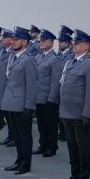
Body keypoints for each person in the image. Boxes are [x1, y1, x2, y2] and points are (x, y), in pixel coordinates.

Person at [58, 29, 90, 179]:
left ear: (86, 46)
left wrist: (88, 114)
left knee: (84, 148)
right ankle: (74, 176)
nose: (73, 45)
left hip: (81, 114)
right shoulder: (71, 62)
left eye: (76, 43)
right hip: (68, 112)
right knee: (72, 147)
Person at [0, 27, 38, 175]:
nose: (13, 42)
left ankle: (25, 163)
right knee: (16, 134)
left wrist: (29, 106)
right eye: (13, 39)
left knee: (24, 135)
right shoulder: (12, 57)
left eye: (16, 40)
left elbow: (32, 85)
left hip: (21, 104)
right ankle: (18, 159)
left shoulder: (28, 59)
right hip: (10, 102)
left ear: (25, 41)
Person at [34, 29, 59, 157]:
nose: (41, 43)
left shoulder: (54, 59)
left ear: (51, 42)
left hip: (48, 97)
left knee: (51, 123)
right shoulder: (39, 56)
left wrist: (52, 98)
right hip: (39, 96)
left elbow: (55, 81)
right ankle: (42, 144)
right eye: (40, 41)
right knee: (41, 123)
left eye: (44, 41)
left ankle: (51, 146)